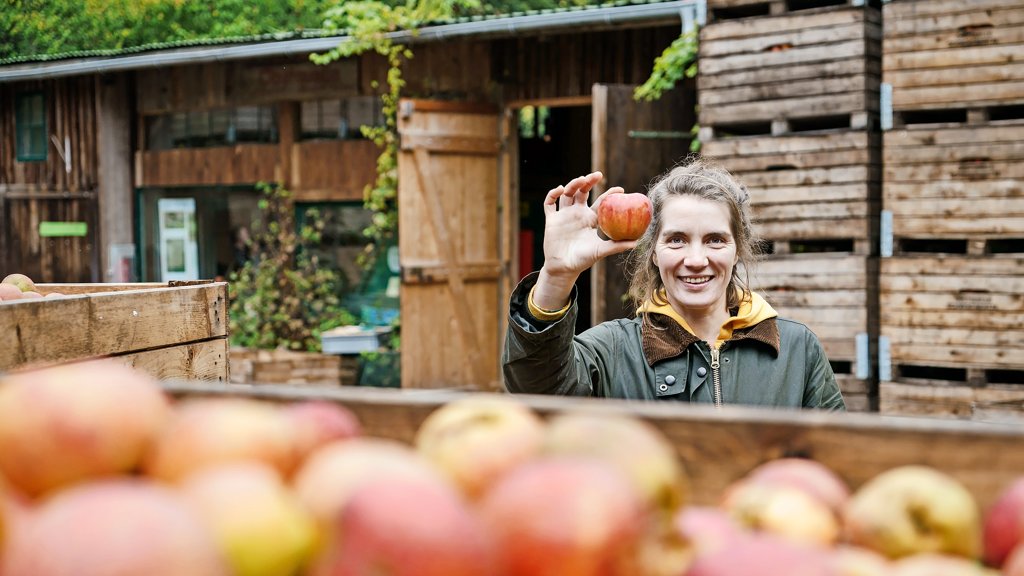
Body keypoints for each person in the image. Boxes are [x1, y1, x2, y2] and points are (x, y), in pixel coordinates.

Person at [503, 158, 845, 410]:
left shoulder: (797, 350)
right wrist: (557, 275)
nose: (696, 259)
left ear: (737, 249)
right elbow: (536, 391)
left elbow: (834, 457)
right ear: (653, 252)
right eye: (677, 240)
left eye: (715, 240)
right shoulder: (612, 352)